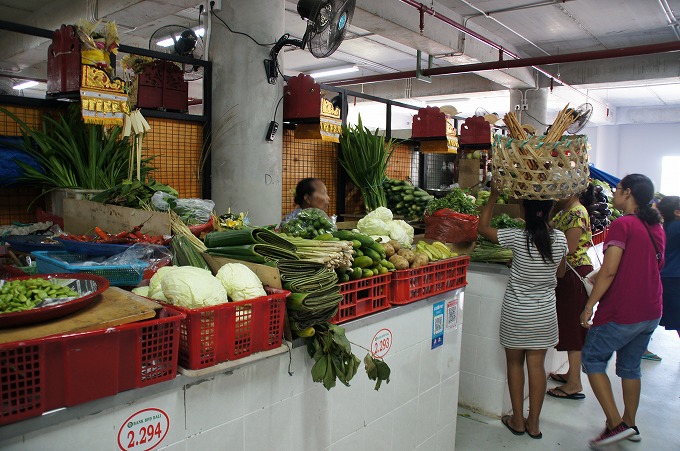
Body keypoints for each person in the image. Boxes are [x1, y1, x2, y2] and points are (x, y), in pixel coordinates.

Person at [580, 174, 665, 447]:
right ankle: (630, 424)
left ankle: (615, 424)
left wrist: (589, 304)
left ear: (628, 193)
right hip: (651, 309)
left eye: (617, 189)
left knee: (592, 359)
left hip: (623, 310)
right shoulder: (656, 227)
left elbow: (610, 270)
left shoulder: (622, 225)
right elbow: (652, 266)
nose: (614, 194)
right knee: (630, 368)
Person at [478, 185, 568, 440]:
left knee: (514, 364)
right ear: (550, 210)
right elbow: (559, 273)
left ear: (523, 211)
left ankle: (517, 420)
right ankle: (534, 424)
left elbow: (482, 228)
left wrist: (494, 196)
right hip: (544, 314)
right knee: (537, 367)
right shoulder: (559, 238)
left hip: (517, 312)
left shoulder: (517, 237)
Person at [547, 186, 594, 400]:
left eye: (561, 191)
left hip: (574, 274)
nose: (557, 195)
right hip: (565, 273)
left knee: (574, 329)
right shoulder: (564, 210)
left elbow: (570, 248)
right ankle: (571, 374)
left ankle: (575, 383)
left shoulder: (576, 213)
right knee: (568, 325)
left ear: (574, 192)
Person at [657, 195, 680, 338]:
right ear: (677, 212)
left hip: (666, 275)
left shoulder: (665, 227)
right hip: (676, 276)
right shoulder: (678, 227)